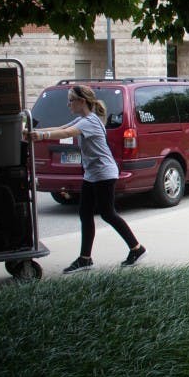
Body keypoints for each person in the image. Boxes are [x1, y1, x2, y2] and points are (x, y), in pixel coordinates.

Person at [24, 84, 146, 273]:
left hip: (104, 174)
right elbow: (61, 128)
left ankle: (136, 248)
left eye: (71, 100)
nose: (68, 104)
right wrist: (34, 133)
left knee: (107, 213)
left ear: (82, 101)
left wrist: (39, 135)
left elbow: (66, 134)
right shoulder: (84, 119)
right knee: (85, 213)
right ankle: (85, 258)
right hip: (93, 174)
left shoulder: (90, 121)